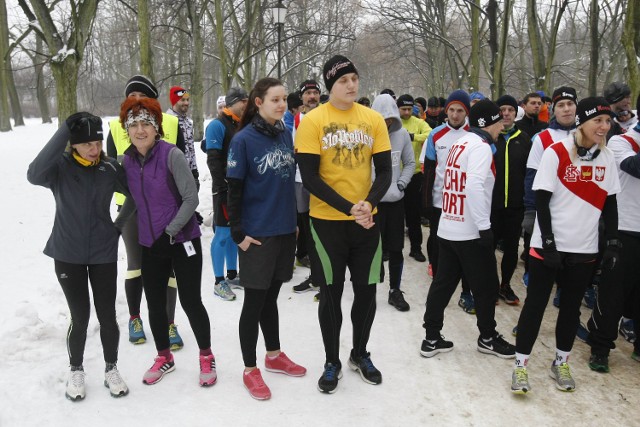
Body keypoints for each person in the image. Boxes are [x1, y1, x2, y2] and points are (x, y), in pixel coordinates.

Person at [296, 55, 392, 394]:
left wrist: (369, 204)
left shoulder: (373, 119)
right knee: (331, 295)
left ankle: (359, 354)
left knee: (367, 292)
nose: (351, 85)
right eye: (343, 80)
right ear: (329, 86)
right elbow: (309, 177)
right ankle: (332, 361)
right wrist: (349, 207)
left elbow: (384, 171)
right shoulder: (312, 121)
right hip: (326, 224)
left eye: (354, 78)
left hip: (366, 223)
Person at [511, 97, 620, 394]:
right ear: (583, 122)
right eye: (598, 120)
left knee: (571, 310)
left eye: (608, 121)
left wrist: (611, 242)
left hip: (584, 248)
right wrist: (548, 244)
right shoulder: (556, 152)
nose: (604, 126)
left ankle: (561, 362)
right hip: (548, 247)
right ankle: (520, 367)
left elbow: (610, 202)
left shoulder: (606, 156)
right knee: (534, 307)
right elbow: (542, 201)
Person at [27, 112, 130, 401]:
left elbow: (134, 195)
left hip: (103, 252)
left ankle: (112, 368)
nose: (94, 149)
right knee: (80, 316)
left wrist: (118, 226)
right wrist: (63, 130)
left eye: (97, 143)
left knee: (107, 315)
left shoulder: (109, 168)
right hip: (67, 252)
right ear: (73, 145)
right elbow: (33, 174)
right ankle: (76, 369)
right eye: (87, 144)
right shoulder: (58, 168)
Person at [119, 97, 216, 387]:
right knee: (156, 304)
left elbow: (191, 198)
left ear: (156, 127)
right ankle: (164, 357)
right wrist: (116, 226)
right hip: (150, 244)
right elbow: (133, 200)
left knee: (189, 300)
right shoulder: (127, 161)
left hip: (182, 240)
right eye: (133, 124)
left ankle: (206, 356)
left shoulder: (170, 154)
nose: (139, 130)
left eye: (145, 124)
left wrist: (170, 232)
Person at [227, 77, 306, 400]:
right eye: (275, 99)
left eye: (284, 98)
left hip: (284, 230)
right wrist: (238, 233)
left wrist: (294, 223)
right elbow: (233, 190)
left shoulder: (285, 133)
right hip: (257, 235)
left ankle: (273, 355)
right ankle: (250, 369)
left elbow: (287, 183)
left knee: (271, 299)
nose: (281, 104)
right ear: (257, 102)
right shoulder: (243, 140)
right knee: (254, 302)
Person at [420, 99, 515, 360]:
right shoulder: (481, 147)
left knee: (442, 284)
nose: (502, 127)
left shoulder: (460, 142)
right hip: (470, 231)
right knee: (486, 286)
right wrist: (485, 228)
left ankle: (431, 337)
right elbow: (473, 186)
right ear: (491, 123)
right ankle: (487, 337)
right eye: (500, 122)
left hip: (449, 227)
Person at [106, 75, 185, 349]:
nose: (136, 102)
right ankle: (135, 317)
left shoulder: (172, 123)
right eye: (131, 97)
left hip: (166, 208)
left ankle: (169, 322)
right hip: (131, 208)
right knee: (135, 265)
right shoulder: (116, 126)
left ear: (153, 101)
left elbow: (187, 168)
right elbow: (110, 170)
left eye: (142, 97)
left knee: (169, 266)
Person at [587, 95, 640, 372]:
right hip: (625, 228)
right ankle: (600, 347)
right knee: (613, 294)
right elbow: (635, 167)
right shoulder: (622, 142)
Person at [422, 90, 475, 314]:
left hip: (464, 203)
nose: (455, 115)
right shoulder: (435, 134)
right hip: (439, 200)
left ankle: (466, 291)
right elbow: (428, 168)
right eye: (451, 110)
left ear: (466, 112)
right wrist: (425, 200)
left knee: (465, 249)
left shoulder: (474, 135)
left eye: (460, 110)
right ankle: (438, 283)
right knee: (437, 242)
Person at [522, 87, 578, 288]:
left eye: (570, 104)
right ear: (553, 109)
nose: (566, 109)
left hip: (577, 206)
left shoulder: (587, 135)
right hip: (547, 204)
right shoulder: (543, 137)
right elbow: (531, 175)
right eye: (561, 105)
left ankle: (566, 288)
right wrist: (530, 209)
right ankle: (532, 272)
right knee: (541, 243)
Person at [372, 93, 415, 311]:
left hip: (395, 200)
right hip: (373, 203)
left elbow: (409, 162)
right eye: (382, 119)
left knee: (396, 248)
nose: (386, 123)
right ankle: (369, 288)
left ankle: (395, 290)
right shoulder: (365, 136)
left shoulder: (403, 135)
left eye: (390, 119)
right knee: (371, 248)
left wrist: (401, 184)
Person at [205, 87, 249, 301]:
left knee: (234, 233)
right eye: (244, 102)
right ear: (233, 103)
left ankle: (232, 275)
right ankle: (218, 281)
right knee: (222, 234)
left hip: (239, 188)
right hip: (224, 189)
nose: (247, 106)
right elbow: (213, 159)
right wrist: (223, 184)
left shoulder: (240, 124)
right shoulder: (217, 124)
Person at [492, 94, 532, 305]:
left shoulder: (524, 139)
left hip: (516, 205)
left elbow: (530, 172)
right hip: (492, 205)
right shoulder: (490, 137)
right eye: (502, 110)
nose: (506, 113)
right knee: (488, 248)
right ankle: (490, 285)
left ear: (516, 113)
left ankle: (505, 285)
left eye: (510, 110)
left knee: (511, 249)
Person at [292, 80, 322, 296]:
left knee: (322, 229)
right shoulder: (296, 119)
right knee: (307, 228)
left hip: (322, 182)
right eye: (308, 93)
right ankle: (316, 276)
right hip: (300, 180)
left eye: (315, 92)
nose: (312, 96)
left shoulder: (327, 117)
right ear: (301, 97)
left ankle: (325, 277)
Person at [397, 93, 432, 262]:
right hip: (395, 174)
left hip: (414, 174)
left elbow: (430, 134)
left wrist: (413, 137)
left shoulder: (418, 123)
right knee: (394, 216)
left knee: (414, 216)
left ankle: (416, 248)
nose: (406, 112)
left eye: (409, 109)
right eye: (403, 109)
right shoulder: (393, 123)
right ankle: (391, 249)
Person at [167, 86, 200, 190]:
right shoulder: (167, 121)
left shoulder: (188, 123)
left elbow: (191, 150)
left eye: (187, 100)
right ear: (174, 101)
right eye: (182, 100)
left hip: (189, 175)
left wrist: (195, 173)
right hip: (174, 177)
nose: (186, 103)